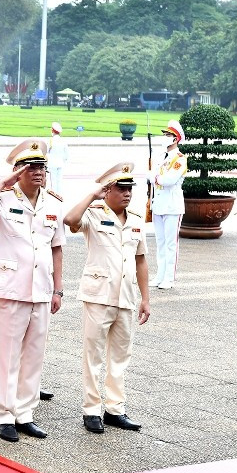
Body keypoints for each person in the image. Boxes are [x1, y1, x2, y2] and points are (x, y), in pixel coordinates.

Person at [0, 140, 65, 442]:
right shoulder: (3, 198)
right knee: (8, 356)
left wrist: (58, 289)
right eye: (31, 167)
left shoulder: (53, 203)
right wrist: (0, 185)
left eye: (41, 167)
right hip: (10, 289)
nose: (38, 172)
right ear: (18, 171)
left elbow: (57, 248)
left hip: (41, 289)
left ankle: (25, 413)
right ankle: (4, 415)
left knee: (34, 355)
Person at [63, 162, 151, 434]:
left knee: (120, 356)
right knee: (94, 356)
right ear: (108, 190)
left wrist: (145, 298)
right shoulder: (93, 214)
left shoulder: (135, 219)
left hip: (125, 297)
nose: (127, 194)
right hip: (98, 296)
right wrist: (92, 195)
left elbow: (141, 260)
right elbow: (70, 220)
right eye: (121, 189)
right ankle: (91, 409)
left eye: (129, 189)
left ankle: (115, 409)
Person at [147, 120, 187, 290]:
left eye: (168, 135)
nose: (165, 137)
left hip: (172, 206)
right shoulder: (161, 158)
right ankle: (160, 275)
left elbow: (169, 180)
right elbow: (150, 175)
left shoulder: (179, 159)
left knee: (171, 244)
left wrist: (155, 177)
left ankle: (169, 278)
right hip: (159, 205)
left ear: (176, 139)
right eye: (165, 135)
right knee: (160, 242)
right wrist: (154, 176)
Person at [48, 122, 69, 194]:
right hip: (60, 163)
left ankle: (54, 194)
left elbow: (47, 152)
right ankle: (59, 194)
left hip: (52, 164)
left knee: (53, 180)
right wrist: (63, 161)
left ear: (52, 131)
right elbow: (66, 154)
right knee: (59, 180)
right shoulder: (63, 141)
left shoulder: (51, 140)